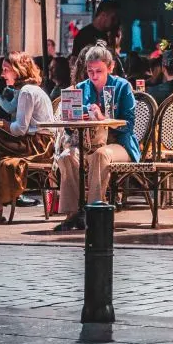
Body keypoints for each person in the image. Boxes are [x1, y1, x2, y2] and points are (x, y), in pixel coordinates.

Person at [53, 45, 139, 229]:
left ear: (111, 67)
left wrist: (104, 119)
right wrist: (71, 120)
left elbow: (129, 124)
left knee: (101, 155)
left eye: (99, 71)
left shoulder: (122, 87)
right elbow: (69, 130)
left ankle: (93, 210)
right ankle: (73, 213)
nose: (94, 76)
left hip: (118, 144)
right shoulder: (82, 88)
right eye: (90, 71)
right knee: (67, 157)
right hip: (87, 143)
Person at [0, 54, 56, 225]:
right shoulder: (27, 90)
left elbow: (19, 129)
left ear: (18, 70)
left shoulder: (27, 92)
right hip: (34, 141)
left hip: (37, 145)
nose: (2, 74)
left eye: (6, 70)